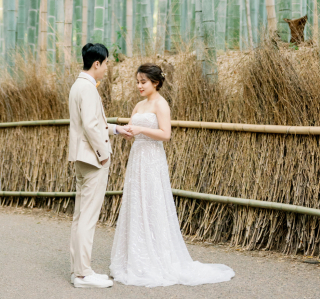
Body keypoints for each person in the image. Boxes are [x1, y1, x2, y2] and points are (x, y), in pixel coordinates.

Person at [109, 63, 235, 287]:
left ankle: (157, 255)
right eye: (137, 82)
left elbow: (165, 134)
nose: (139, 86)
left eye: (143, 82)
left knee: (153, 202)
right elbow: (133, 128)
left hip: (152, 159)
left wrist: (141, 129)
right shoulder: (138, 105)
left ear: (155, 83)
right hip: (137, 157)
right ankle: (137, 255)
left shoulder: (161, 104)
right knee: (137, 203)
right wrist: (129, 132)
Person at [68, 42, 133, 289]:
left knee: (80, 217)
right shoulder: (88, 88)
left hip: (80, 158)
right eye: (106, 64)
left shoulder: (78, 85)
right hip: (92, 159)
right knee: (88, 218)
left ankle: (78, 271)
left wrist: (116, 129)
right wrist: (103, 154)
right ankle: (84, 274)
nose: (106, 68)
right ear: (97, 63)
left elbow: (93, 122)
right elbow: (90, 125)